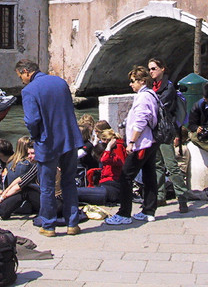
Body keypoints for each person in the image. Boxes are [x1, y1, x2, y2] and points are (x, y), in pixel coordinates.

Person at [15, 59, 84, 237]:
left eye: (20, 76)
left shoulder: (28, 90)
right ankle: (72, 224)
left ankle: (49, 225)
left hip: (47, 141)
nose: (21, 80)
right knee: (69, 181)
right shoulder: (60, 82)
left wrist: (35, 135)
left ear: (25, 72)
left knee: (47, 186)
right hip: (69, 138)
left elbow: (31, 120)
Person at [105, 65, 160, 225]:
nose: (131, 84)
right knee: (149, 175)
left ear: (142, 81)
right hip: (151, 142)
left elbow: (141, 120)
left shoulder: (143, 97)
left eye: (133, 81)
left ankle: (124, 213)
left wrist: (131, 142)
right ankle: (149, 211)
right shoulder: (152, 95)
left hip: (141, 144)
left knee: (125, 177)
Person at [148, 57, 189, 213]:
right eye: (150, 69)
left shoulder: (168, 88)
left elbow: (160, 106)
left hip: (165, 131)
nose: (151, 71)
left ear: (162, 69)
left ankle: (182, 197)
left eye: (154, 68)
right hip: (154, 131)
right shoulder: (151, 87)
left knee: (171, 165)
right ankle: (160, 196)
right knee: (157, 164)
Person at [77, 127, 125, 205]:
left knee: (76, 192)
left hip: (111, 191)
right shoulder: (110, 161)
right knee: (79, 192)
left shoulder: (116, 159)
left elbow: (104, 159)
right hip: (104, 187)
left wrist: (109, 146)